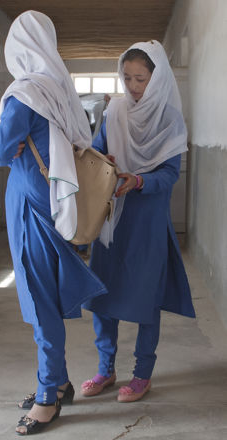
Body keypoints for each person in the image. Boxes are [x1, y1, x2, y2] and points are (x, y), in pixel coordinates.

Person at [0, 11, 107, 435]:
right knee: (49, 296)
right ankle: (59, 382)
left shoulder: (23, 95)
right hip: (57, 206)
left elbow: (1, 151)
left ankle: (47, 396)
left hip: (30, 211)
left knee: (40, 302)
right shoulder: (60, 87)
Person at [81, 41, 195, 403]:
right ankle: (106, 369)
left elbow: (170, 174)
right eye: (127, 77)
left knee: (146, 299)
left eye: (140, 79)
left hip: (147, 222)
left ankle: (142, 373)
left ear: (157, 79)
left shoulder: (170, 119)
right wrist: (104, 158)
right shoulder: (114, 113)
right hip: (113, 218)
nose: (132, 86)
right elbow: (96, 151)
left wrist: (140, 180)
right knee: (103, 295)